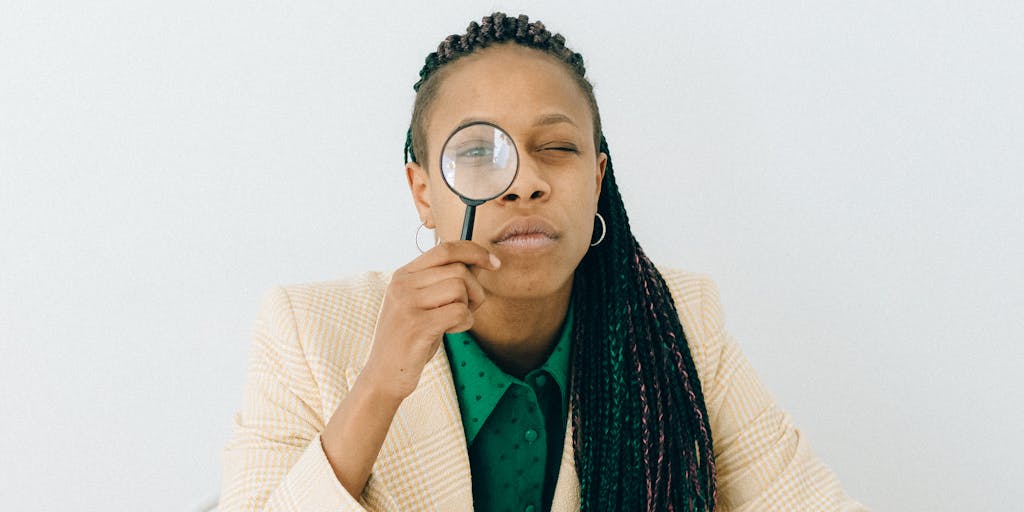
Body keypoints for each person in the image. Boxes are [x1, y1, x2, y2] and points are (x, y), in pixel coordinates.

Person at [217, 12, 868, 512]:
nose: (523, 181)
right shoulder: (302, 329)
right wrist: (380, 383)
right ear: (422, 191)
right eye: (479, 152)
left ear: (597, 179)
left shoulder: (681, 319)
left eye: (556, 146)